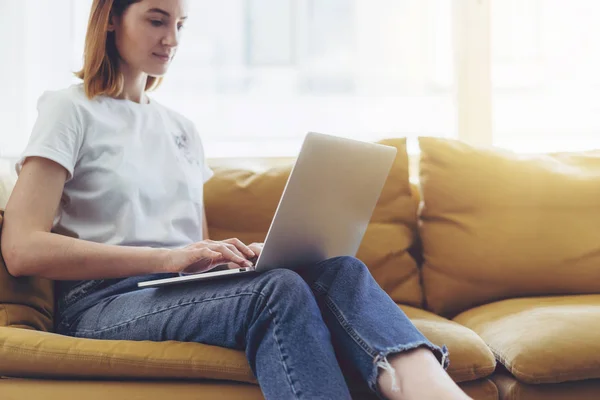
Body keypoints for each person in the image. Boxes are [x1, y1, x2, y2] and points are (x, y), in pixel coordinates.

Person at [1, 1, 472, 399]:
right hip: (100, 302)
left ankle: (428, 387)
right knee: (277, 291)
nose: (172, 39)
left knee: (340, 269)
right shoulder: (70, 109)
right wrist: (166, 258)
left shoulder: (181, 128)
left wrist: (222, 259)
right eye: (156, 20)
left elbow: (191, 242)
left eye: (181, 25)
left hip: (169, 290)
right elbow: (22, 249)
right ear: (110, 19)